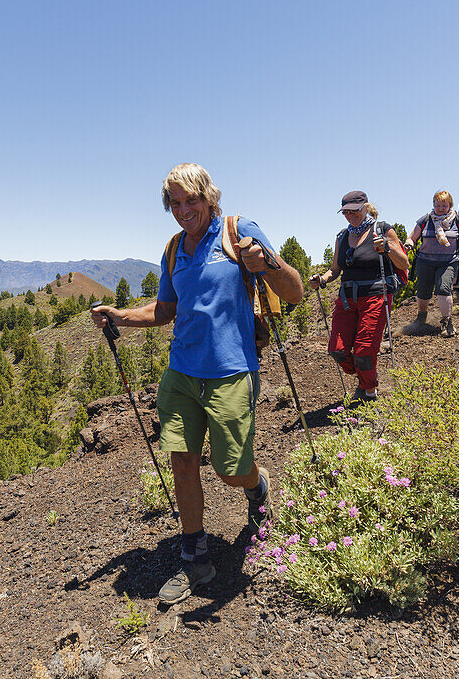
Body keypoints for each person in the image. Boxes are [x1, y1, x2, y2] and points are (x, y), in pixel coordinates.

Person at [91, 163, 303, 605]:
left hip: (232, 371)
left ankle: (257, 485)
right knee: (183, 463)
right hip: (182, 373)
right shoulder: (173, 248)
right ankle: (195, 557)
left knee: (230, 469)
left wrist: (266, 263)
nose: (183, 209)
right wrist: (122, 316)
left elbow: (295, 291)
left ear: (209, 197)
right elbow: (167, 309)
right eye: (175, 202)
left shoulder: (238, 230)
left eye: (191, 200)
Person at [308, 191, 409, 404]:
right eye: (345, 212)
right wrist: (322, 279)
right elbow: (335, 269)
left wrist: (388, 248)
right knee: (337, 350)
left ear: (365, 207)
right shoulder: (342, 236)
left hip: (376, 296)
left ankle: (368, 392)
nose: (350, 215)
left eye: (354, 211)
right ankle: (366, 375)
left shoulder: (382, 229)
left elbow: (404, 264)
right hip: (347, 298)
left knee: (364, 352)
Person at [403, 191, 459, 338]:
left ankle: (447, 322)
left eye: (444, 205)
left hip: (448, 261)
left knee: (444, 288)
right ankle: (421, 316)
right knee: (423, 292)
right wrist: (409, 243)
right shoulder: (425, 220)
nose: (440, 208)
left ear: (450, 205)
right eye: (438, 205)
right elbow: (412, 237)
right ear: (433, 205)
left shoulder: (458, 220)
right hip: (425, 261)